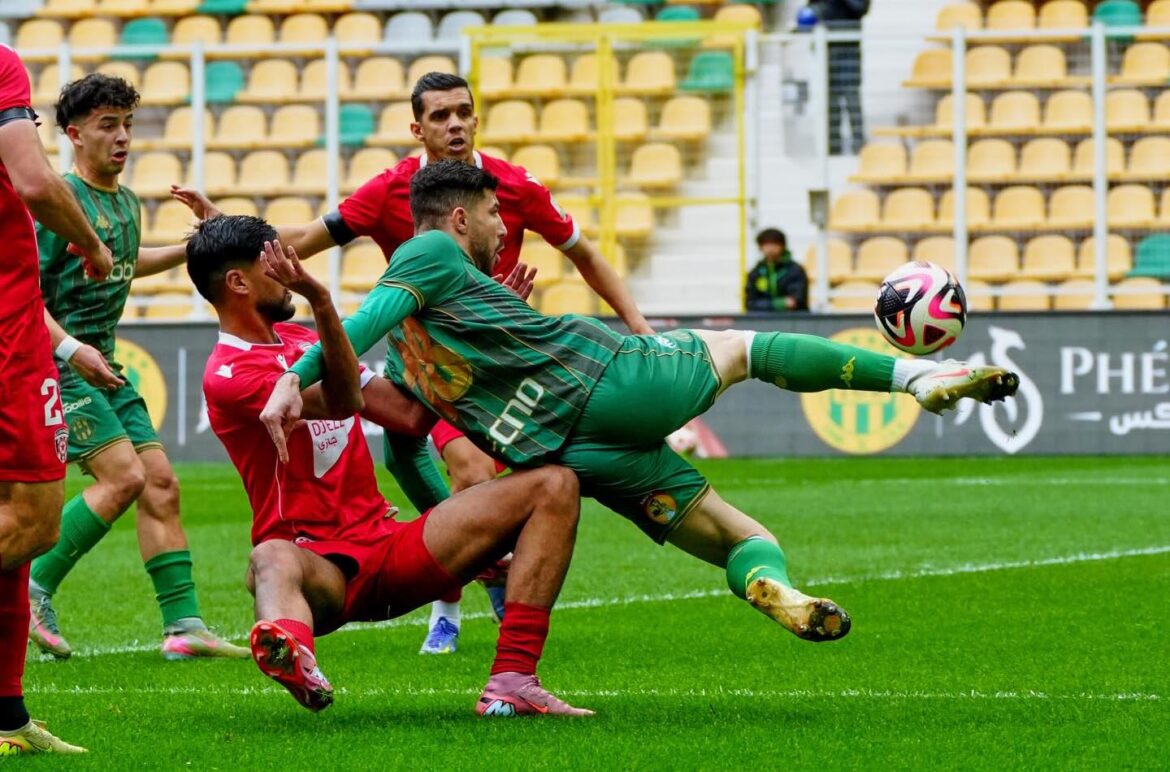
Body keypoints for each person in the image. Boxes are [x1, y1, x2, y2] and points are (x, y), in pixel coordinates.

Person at [261, 161, 1021, 649]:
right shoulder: (427, 251)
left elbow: (403, 434)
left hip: (570, 454)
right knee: (742, 350)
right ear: (459, 217)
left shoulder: (425, 351)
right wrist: (296, 374)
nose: (501, 227)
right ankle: (916, 380)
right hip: (607, 380)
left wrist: (456, 534)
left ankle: (771, 582)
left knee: (738, 535)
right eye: (493, 214)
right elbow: (362, 321)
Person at [208, 71, 653, 654]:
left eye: (464, 112)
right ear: (417, 128)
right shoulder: (390, 189)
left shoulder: (514, 185)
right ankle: (461, 579)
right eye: (440, 116)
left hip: (493, 360)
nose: (455, 125)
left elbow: (585, 252)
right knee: (405, 446)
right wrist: (228, 232)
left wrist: (641, 328)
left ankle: (478, 583)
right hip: (422, 363)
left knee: (475, 465)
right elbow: (306, 240)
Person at [189, 216, 592, 717]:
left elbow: (408, 413)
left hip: (388, 545)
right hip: (319, 571)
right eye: (275, 260)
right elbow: (342, 401)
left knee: (554, 484)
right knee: (270, 558)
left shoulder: (298, 342)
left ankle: (512, 681)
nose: (291, 266)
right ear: (238, 282)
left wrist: (479, 332)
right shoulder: (228, 374)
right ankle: (293, 653)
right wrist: (321, 300)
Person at [27, 74, 247, 662]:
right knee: (122, 478)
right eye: (107, 125)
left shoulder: (124, 202)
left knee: (160, 485)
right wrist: (72, 350)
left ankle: (184, 627)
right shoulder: (55, 203)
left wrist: (195, 245)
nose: (123, 136)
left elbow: (126, 261)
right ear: (73, 135)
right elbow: (22, 297)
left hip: (106, 364)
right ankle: (32, 588)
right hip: (55, 364)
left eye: (127, 124)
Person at [0, 43, 114, 756]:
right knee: (36, 523)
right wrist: (92, 240)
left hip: (22, 325)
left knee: (11, 538)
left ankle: (8, 717)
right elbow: (37, 182)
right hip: (6, 333)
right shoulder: (1, 64)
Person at [802, 1, 870, 155]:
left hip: (849, 47)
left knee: (851, 96)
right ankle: (833, 147)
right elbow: (812, 9)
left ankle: (859, 145)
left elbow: (861, 8)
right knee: (830, 99)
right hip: (827, 47)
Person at [744, 228, 808, 312]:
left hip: (792, 321)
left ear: (783, 246)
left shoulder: (795, 270)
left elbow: (796, 301)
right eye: (766, 245)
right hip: (763, 321)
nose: (770, 249)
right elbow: (750, 304)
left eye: (774, 244)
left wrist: (763, 304)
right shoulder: (755, 273)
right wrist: (779, 303)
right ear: (760, 247)